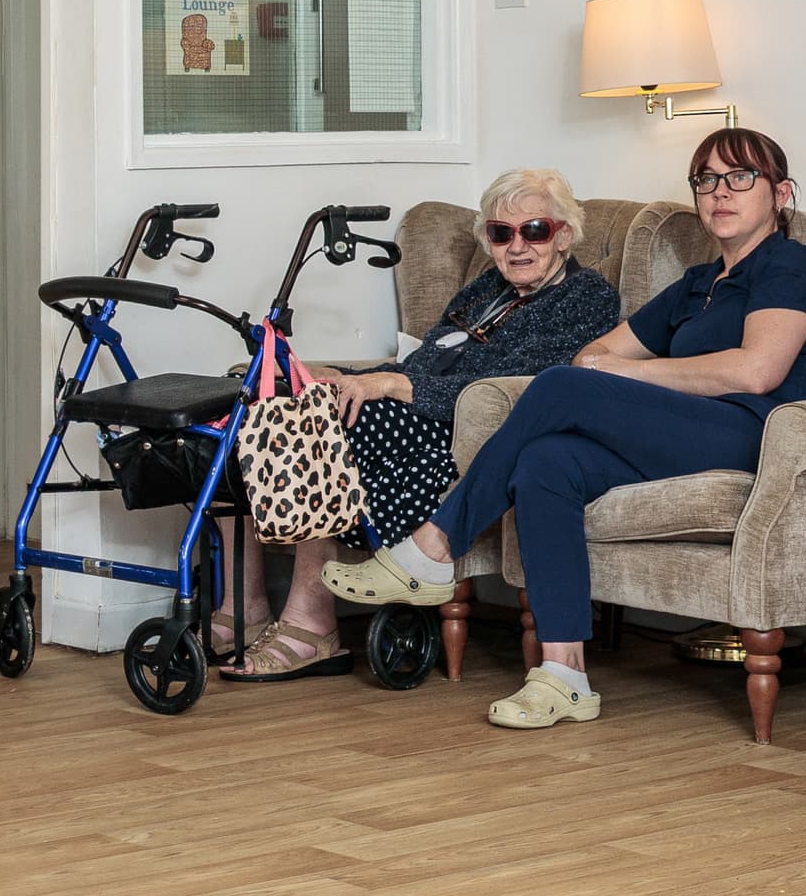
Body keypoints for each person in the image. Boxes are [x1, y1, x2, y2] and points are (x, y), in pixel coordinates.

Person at [320, 126, 806, 727]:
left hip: (757, 437)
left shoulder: (793, 268)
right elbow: (594, 353)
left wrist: (625, 375)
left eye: (739, 178)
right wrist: (612, 369)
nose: (719, 193)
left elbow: (756, 371)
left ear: (780, 194)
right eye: (706, 180)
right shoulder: (698, 285)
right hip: (686, 431)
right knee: (548, 464)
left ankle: (435, 546)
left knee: (561, 387)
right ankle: (564, 675)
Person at [214, 170, 618, 676]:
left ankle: (313, 624)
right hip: (418, 408)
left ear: (563, 235)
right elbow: (424, 361)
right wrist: (346, 376)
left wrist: (391, 387)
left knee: (322, 425)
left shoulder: (585, 297)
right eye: (500, 232)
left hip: (473, 434)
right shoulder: (484, 290)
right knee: (257, 410)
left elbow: (519, 389)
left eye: (534, 230)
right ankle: (243, 609)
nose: (517, 245)